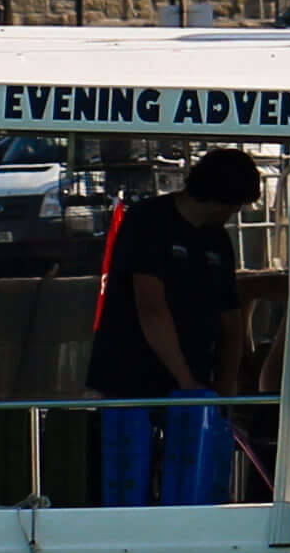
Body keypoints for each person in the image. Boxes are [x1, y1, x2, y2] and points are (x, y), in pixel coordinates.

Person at [87, 149, 257, 506]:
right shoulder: (148, 221)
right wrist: (186, 382)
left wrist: (225, 393)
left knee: (190, 480)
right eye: (235, 205)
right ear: (220, 196)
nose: (233, 214)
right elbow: (150, 307)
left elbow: (230, 320)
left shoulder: (217, 240)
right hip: (130, 375)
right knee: (128, 477)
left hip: (194, 383)